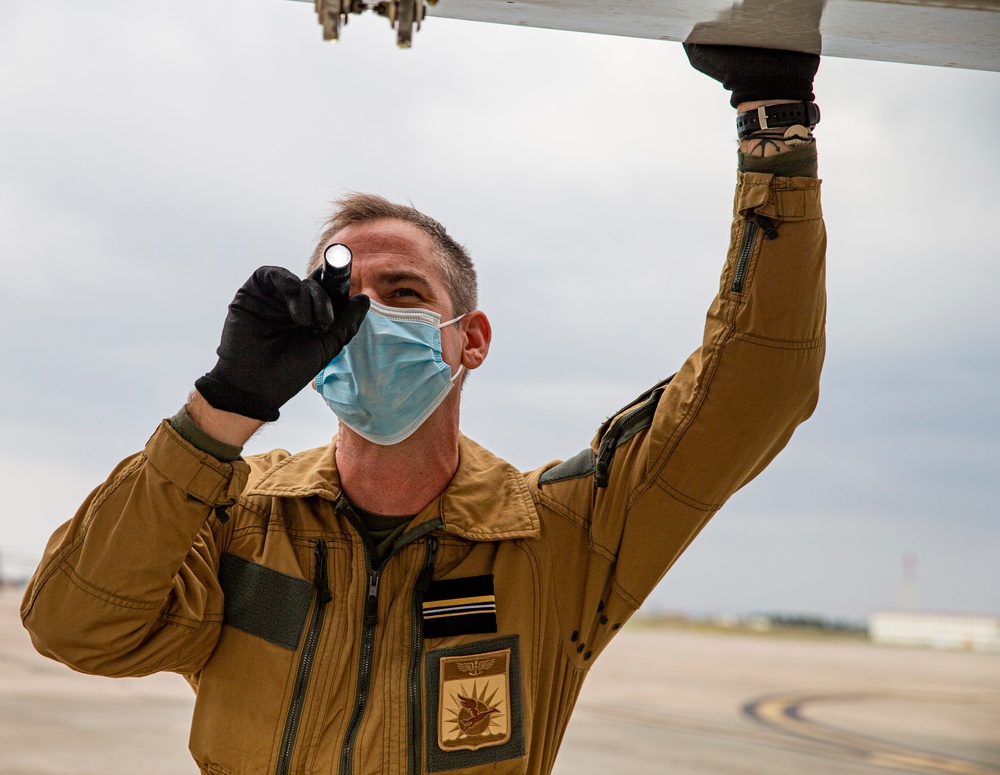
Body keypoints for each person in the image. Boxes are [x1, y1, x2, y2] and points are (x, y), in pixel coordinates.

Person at [21, 45, 827, 775]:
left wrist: (773, 121)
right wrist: (223, 407)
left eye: (402, 293)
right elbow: (72, 623)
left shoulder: (558, 539)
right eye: (340, 300)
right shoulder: (241, 519)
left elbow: (754, 387)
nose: (366, 317)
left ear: (469, 339)